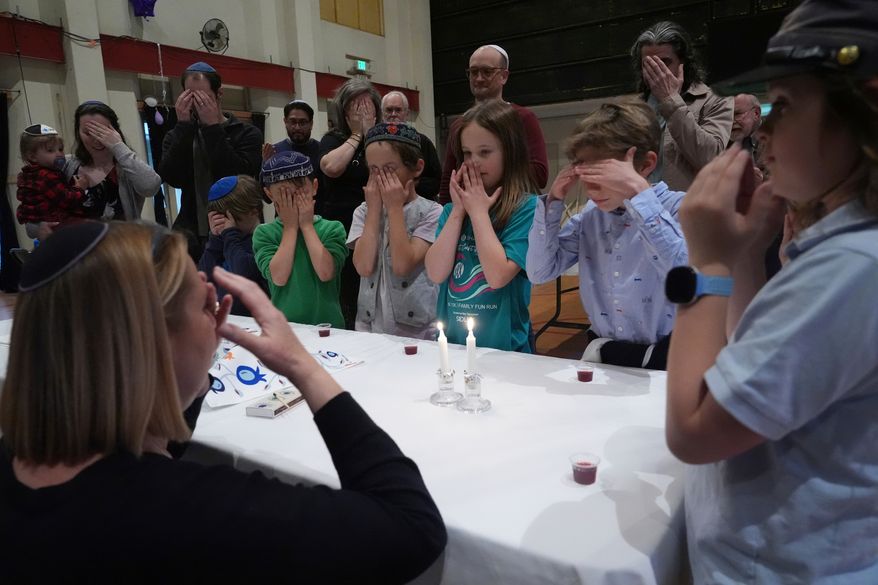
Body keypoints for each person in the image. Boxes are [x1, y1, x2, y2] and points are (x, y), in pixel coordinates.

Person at [0, 221, 446, 581]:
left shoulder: (26, 468)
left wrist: (189, 363)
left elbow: (152, 441)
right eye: (203, 309)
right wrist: (302, 366)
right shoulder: (191, 514)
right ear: (154, 345)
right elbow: (411, 527)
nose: (218, 320)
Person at [664, 1, 878, 582]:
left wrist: (706, 260)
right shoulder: (850, 251)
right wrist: (741, 253)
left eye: (781, 105)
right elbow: (759, 353)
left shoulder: (851, 267)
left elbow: (692, 430)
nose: (764, 128)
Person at [527, 99, 686, 369]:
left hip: (667, 362)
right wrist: (553, 203)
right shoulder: (591, 217)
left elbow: (682, 276)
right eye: (583, 170)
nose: (590, 186)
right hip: (606, 358)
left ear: (645, 164)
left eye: (604, 171)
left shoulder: (678, 208)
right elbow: (539, 272)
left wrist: (638, 193)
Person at [425, 100, 537, 352]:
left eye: (484, 152)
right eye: (466, 153)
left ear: (510, 152)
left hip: (505, 351)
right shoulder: (451, 211)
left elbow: (497, 276)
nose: (473, 162)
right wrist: (457, 213)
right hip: (453, 347)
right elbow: (435, 273)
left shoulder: (526, 209)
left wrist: (478, 213)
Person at [159, 61, 263, 259]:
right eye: (190, 96)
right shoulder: (176, 135)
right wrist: (183, 127)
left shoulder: (247, 133)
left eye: (203, 97)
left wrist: (212, 128)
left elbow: (237, 176)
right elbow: (172, 178)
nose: (196, 103)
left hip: (239, 230)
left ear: (219, 95)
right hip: (191, 232)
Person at [348, 122, 442, 339]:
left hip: (417, 332)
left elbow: (402, 265)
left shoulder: (432, 212)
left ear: (417, 168)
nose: (380, 178)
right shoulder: (363, 211)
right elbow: (362, 266)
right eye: (373, 170)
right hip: (369, 328)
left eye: (389, 170)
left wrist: (394, 209)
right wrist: (373, 211)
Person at [25, 101, 162, 241]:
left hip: (120, 253)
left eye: (102, 131)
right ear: (78, 133)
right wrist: (41, 227)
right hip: (76, 254)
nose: (96, 139)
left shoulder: (126, 166)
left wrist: (118, 146)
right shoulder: (64, 165)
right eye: (88, 133)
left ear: (115, 131)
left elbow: (151, 187)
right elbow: (30, 220)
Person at [438, 44, 548, 204]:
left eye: (487, 72)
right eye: (473, 72)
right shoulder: (459, 124)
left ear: (504, 76)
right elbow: (449, 177)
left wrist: (490, 174)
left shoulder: (523, 117)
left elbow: (540, 174)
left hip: (513, 210)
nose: (479, 78)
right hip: (466, 212)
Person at [631, 21, 734, 191]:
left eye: (665, 62)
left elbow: (710, 158)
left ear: (684, 63)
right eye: (649, 65)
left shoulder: (716, 100)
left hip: (683, 210)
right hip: (637, 207)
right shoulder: (634, 106)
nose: (658, 70)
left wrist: (670, 100)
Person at [254, 151, 347, 327]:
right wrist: (290, 228)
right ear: (269, 194)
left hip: (330, 329)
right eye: (285, 195)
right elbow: (279, 278)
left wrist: (306, 226)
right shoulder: (264, 233)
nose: (294, 200)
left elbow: (326, 273)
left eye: (300, 192)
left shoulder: (332, 228)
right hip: (285, 329)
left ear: (314, 187)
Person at [319, 77, 383, 328]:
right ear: (343, 111)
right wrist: (358, 134)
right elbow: (332, 167)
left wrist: (371, 135)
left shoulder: (383, 139)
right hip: (342, 227)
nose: (362, 113)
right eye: (355, 107)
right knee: (349, 292)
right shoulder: (333, 139)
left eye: (367, 107)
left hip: (377, 222)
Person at [197, 175, 268, 316]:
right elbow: (204, 276)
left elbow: (243, 274)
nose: (226, 225)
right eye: (220, 218)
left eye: (230, 218)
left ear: (254, 211)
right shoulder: (223, 240)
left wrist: (230, 234)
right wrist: (215, 238)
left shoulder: (265, 238)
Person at [15, 124, 88, 232]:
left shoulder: (26, 173)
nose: (59, 154)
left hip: (40, 221)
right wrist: (80, 189)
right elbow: (66, 199)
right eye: (50, 150)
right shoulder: (45, 176)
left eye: (60, 149)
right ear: (32, 156)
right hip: (55, 221)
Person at [262, 99, 325, 213]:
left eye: (302, 122)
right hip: (284, 222)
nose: (297, 127)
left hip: (319, 219)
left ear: (311, 124)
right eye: (292, 122)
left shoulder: (323, 150)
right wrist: (266, 166)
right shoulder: (273, 152)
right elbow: (266, 198)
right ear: (285, 122)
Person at [381, 91, 442, 200]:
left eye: (398, 110)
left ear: (407, 113)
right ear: (382, 113)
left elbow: (436, 181)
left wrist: (410, 183)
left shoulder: (422, 142)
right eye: (389, 110)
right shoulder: (377, 144)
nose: (393, 114)